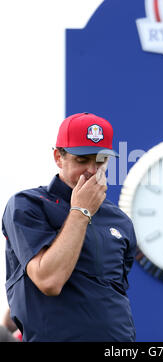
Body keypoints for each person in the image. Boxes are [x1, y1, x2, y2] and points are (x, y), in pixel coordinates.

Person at [2, 112, 137, 342]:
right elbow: (49, 281)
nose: (93, 170)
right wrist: (81, 212)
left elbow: (115, 294)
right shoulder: (28, 205)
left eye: (101, 160)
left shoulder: (119, 220)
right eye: (82, 160)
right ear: (58, 157)